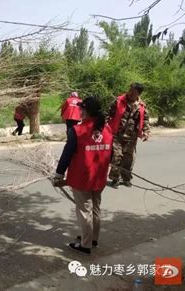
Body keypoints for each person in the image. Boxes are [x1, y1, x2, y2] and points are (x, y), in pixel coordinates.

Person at [53, 97, 113, 255]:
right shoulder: (107, 128)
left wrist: (58, 174)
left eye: (81, 108)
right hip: (99, 177)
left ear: (85, 111)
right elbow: (111, 153)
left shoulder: (77, 131)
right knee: (95, 209)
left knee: (84, 210)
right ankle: (93, 239)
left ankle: (85, 245)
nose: (79, 111)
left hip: (82, 178)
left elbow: (67, 154)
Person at [107, 83, 150, 188]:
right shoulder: (118, 101)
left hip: (132, 137)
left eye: (133, 92)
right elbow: (108, 115)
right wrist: (103, 128)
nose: (130, 93)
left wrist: (146, 132)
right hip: (117, 134)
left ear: (138, 94)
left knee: (128, 158)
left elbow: (145, 120)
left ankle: (126, 178)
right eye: (130, 90)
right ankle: (115, 179)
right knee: (117, 157)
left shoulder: (142, 106)